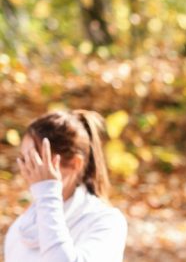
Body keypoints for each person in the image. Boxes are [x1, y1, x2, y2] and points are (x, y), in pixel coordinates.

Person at [5, 110, 127, 261]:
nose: (28, 170)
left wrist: (47, 192)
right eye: (24, 160)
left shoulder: (106, 222)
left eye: (38, 162)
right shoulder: (21, 228)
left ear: (76, 163)